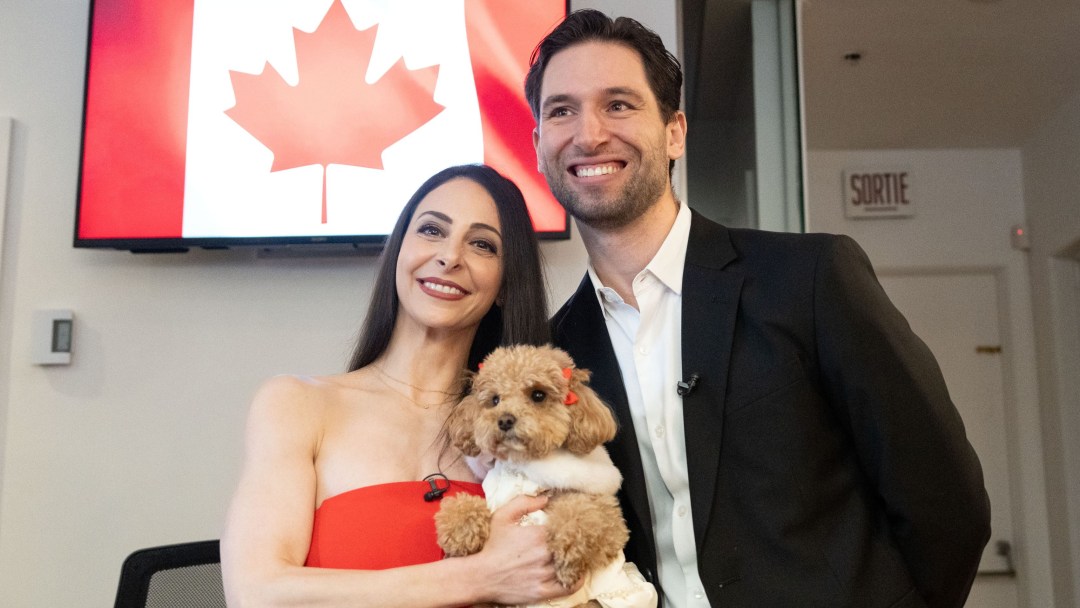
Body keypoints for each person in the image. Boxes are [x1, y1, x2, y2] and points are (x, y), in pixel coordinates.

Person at [527, 9, 991, 608]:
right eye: (561, 111)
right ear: (537, 146)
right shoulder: (555, 356)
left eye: (618, 104)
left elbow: (945, 500)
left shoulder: (809, 278)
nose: (588, 134)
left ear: (674, 132)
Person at [221, 164, 572, 607]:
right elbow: (256, 594)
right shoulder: (296, 403)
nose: (450, 256)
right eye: (431, 230)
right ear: (399, 253)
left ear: (506, 283)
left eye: (482, 244)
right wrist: (477, 578)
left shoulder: (522, 435)